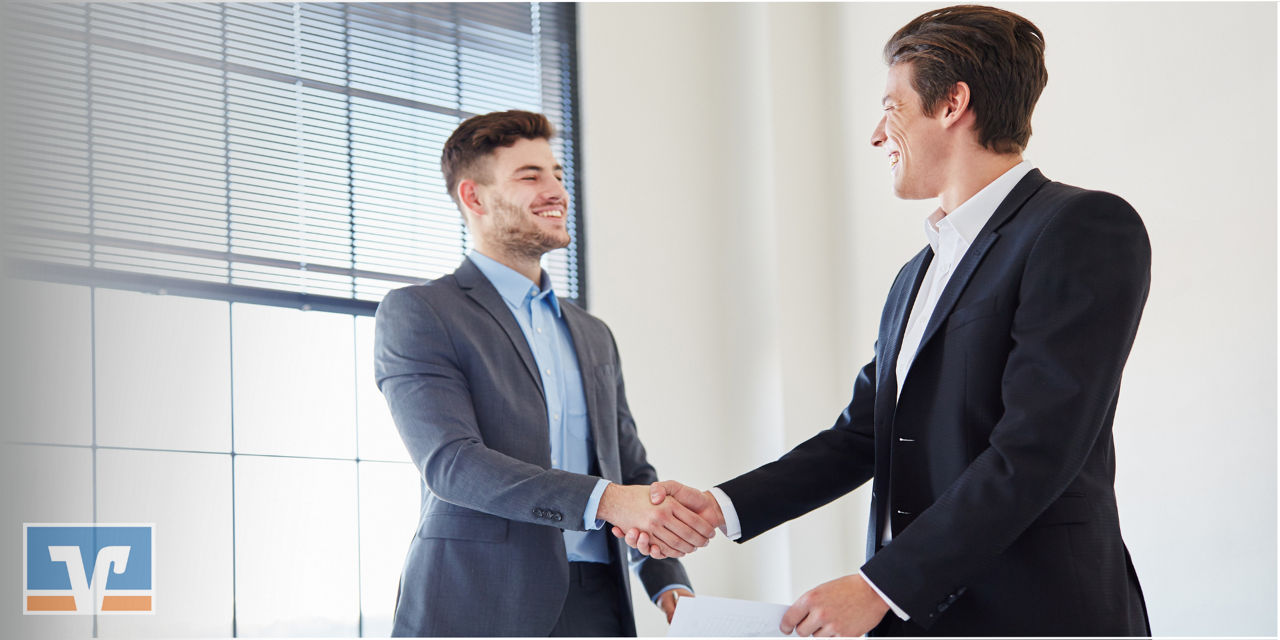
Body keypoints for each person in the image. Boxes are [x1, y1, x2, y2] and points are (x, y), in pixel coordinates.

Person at [618, 5, 1151, 636]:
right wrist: (720, 508)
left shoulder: (1078, 228)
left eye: (892, 106)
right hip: (919, 616)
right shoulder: (915, 273)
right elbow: (864, 433)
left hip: (1038, 611)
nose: (877, 133)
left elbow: (1037, 450)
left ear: (952, 103)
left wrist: (880, 584)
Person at [374, 110, 713, 636]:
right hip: (476, 599)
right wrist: (605, 500)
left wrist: (668, 582)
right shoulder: (421, 312)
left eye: (556, 173)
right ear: (474, 198)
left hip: (598, 601)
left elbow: (630, 469)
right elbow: (451, 465)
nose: (556, 189)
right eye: (530, 176)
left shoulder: (592, 332)